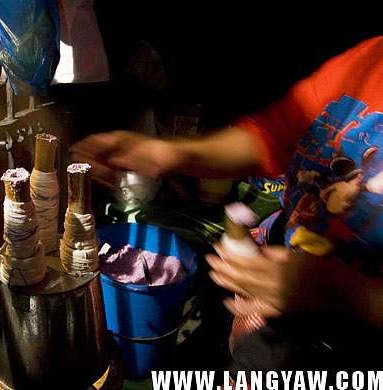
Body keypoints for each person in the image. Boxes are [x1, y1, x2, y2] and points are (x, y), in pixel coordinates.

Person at [70, 36, 383, 373]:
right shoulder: (370, 59)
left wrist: (343, 293)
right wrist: (172, 154)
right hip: (277, 292)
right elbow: (274, 135)